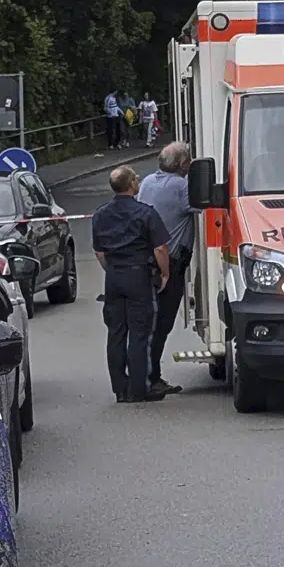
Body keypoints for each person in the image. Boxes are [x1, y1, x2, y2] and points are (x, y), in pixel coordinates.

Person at [93, 166, 171, 403]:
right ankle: (140, 388)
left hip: (114, 277)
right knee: (139, 333)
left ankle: (120, 389)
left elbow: (99, 251)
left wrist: (112, 270)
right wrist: (165, 274)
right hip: (139, 276)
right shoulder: (145, 213)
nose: (138, 182)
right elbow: (160, 248)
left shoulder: (101, 214)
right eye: (136, 179)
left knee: (116, 333)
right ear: (131, 185)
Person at [137, 143, 195, 396]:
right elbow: (204, 204)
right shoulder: (182, 187)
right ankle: (152, 377)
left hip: (146, 260)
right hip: (170, 262)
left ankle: (143, 375)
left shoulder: (148, 182)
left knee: (149, 321)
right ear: (184, 165)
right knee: (162, 323)